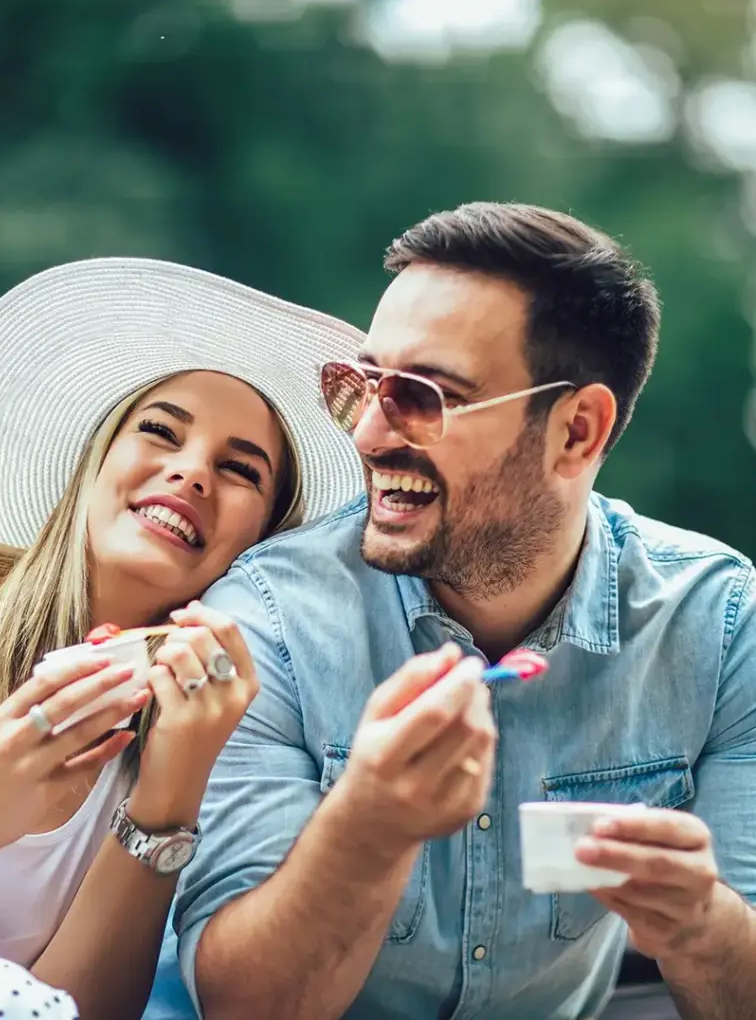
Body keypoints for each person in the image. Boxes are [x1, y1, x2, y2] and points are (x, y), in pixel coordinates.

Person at [170, 203, 756, 1019]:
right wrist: (367, 827)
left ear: (577, 432)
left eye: (421, 396)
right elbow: (241, 1007)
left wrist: (699, 926)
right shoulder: (267, 618)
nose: (370, 434)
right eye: (360, 384)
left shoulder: (719, 624)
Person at [0, 257, 364, 1019]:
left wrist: (168, 794)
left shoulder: (196, 734)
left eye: (241, 471)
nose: (192, 472)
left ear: (262, 545)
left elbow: (73, 1013)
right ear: (93, 460)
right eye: (160, 432)